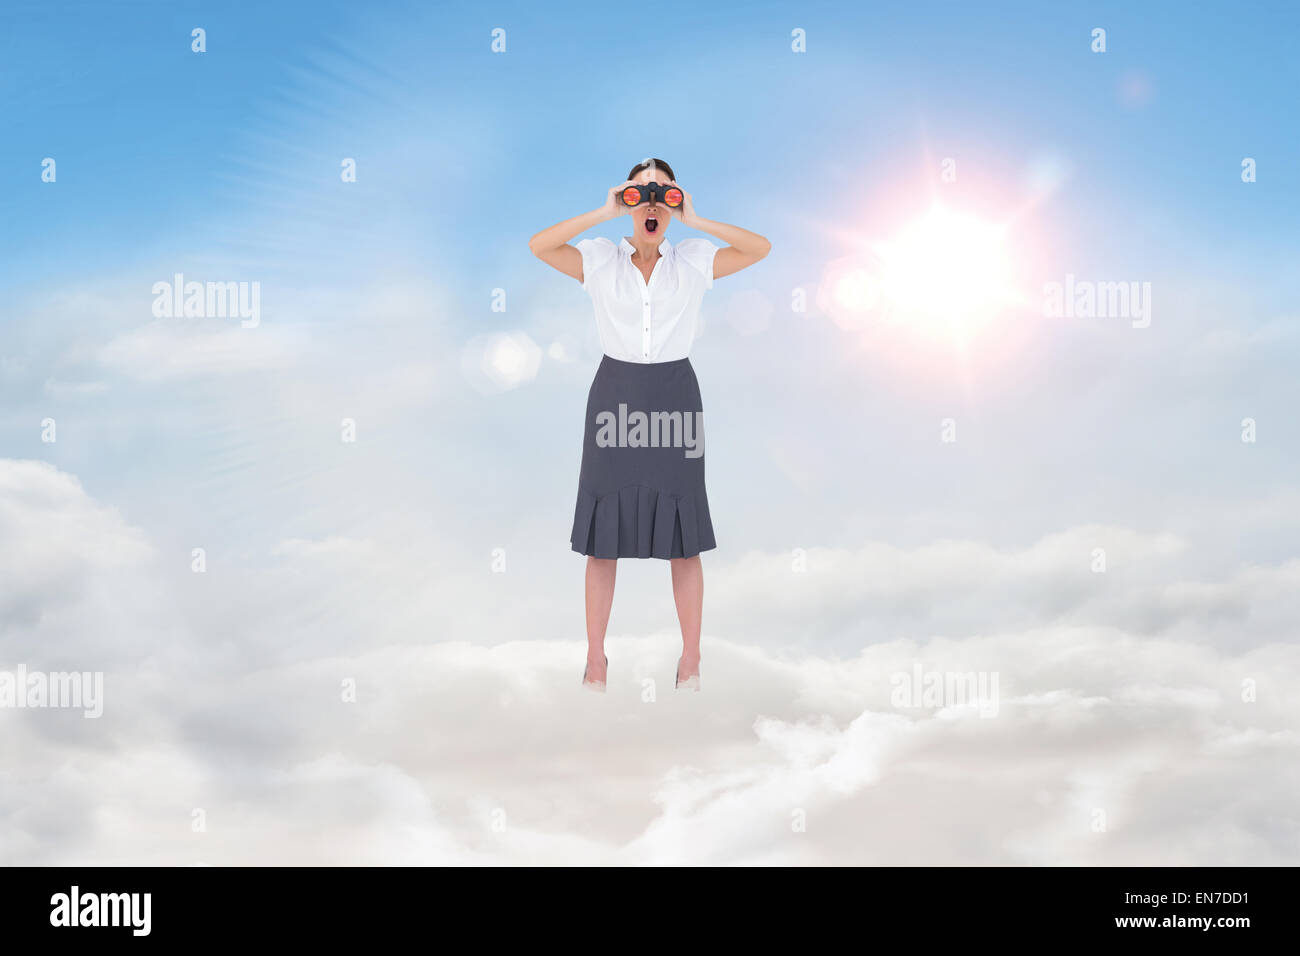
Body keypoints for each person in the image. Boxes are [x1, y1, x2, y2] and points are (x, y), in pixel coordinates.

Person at [529, 158, 770, 692]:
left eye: (662, 194)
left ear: (674, 201)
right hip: (614, 394)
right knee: (602, 538)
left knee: (684, 540)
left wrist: (696, 217)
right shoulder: (599, 259)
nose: (652, 203)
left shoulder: (694, 261)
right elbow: (540, 246)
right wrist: (605, 208)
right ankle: (596, 660)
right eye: (642, 194)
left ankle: (692, 660)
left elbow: (760, 249)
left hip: (675, 395)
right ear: (629, 203)